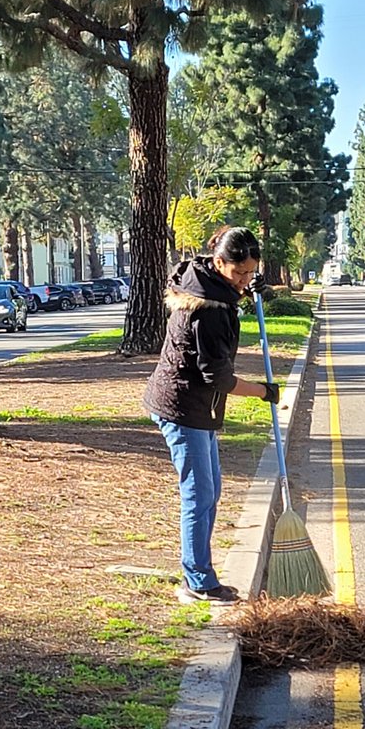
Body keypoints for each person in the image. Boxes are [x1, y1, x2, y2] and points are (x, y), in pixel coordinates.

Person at [143, 226, 279, 605]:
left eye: (251, 273)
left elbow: (231, 294)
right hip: (182, 407)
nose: (244, 280)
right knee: (199, 494)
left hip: (199, 407)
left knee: (210, 491)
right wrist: (262, 392)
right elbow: (216, 377)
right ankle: (198, 581)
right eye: (239, 273)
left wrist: (248, 289)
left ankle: (198, 572)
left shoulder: (209, 283)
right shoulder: (209, 312)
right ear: (220, 263)